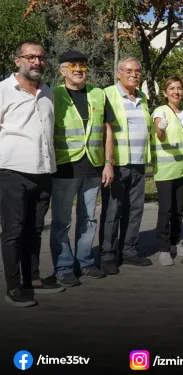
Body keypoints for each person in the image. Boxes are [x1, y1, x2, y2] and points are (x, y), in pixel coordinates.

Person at [0, 41, 65, 306]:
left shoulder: (48, 92)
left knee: (35, 229)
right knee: (14, 231)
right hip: (12, 171)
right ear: (18, 60)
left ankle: (33, 278)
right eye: (30, 57)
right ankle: (14, 286)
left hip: (43, 170)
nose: (36, 62)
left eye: (41, 57)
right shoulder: (4, 90)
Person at [50, 50, 115, 286]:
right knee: (61, 221)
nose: (78, 70)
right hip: (65, 168)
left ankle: (86, 262)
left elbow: (108, 130)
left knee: (89, 219)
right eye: (73, 66)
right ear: (62, 70)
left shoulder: (98, 94)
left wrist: (109, 163)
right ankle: (64, 267)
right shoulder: (54, 94)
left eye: (83, 66)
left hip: (93, 166)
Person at [99, 57, 154, 274]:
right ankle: (107, 254)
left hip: (139, 162)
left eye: (138, 71)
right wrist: (107, 162)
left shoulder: (142, 97)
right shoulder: (108, 94)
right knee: (113, 210)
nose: (134, 74)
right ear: (118, 72)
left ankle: (129, 250)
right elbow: (104, 130)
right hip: (117, 163)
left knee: (135, 210)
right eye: (129, 70)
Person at [151, 77, 183, 266]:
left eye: (179, 88)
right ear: (165, 92)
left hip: (181, 168)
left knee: (179, 209)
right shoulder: (160, 110)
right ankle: (163, 249)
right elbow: (159, 134)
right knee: (166, 209)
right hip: (164, 170)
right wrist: (161, 129)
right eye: (171, 88)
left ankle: (175, 242)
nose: (176, 92)